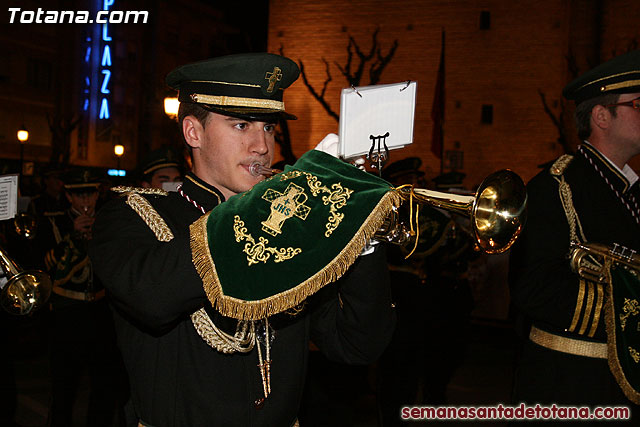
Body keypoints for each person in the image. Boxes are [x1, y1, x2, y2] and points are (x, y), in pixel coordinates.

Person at [89, 52, 395, 426]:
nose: (262, 146)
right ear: (193, 132)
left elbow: (356, 345)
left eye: (268, 128)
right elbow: (152, 297)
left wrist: (361, 235)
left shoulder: (293, 229)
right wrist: (279, 204)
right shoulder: (132, 215)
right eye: (241, 126)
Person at [509, 50, 640, 417]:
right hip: (568, 385)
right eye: (638, 104)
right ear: (602, 116)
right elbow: (532, 288)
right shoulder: (554, 186)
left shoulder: (632, 190)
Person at [38, 168, 125, 426]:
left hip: (100, 311)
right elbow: (47, 267)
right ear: (69, 197)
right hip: (67, 311)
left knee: (104, 385)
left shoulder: (107, 221)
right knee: (64, 385)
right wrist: (73, 237)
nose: (86, 202)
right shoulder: (55, 221)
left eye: (91, 195)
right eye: (80, 196)